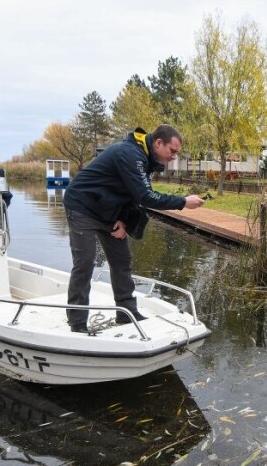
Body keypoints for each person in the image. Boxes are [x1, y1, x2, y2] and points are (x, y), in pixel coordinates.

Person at [63, 125, 205, 332]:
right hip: (82, 206)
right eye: (172, 151)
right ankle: (77, 323)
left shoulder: (146, 159)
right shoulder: (130, 154)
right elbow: (146, 197)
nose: (174, 156)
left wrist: (124, 220)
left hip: (108, 211)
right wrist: (182, 202)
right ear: (158, 143)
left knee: (122, 260)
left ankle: (126, 314)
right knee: (84, 263)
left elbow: (130, 192)